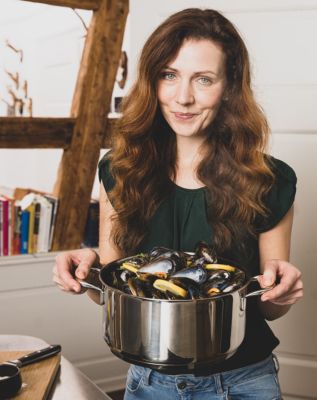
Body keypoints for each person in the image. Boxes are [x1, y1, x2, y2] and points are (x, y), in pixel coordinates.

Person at [53, 8, 303, 399]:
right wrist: (87, 271)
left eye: (204, 79)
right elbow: (112, 292)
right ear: (153, 81)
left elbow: (268, 307)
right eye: (169, 75)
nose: (183, 97)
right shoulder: (119, 170)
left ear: (229, 87)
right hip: (148, 383)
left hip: (243, 382)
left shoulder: (270, 181)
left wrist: (282, 292)